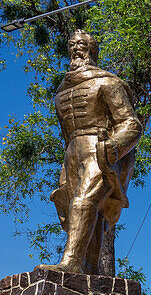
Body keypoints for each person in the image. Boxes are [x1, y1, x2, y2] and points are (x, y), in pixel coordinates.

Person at [38, 30, 143, 274]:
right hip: (72, 152)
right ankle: (91, 269)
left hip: (100, 149)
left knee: (83, 201)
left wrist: (113, 148)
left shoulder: (107, 82)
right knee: (78, 210)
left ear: (92, 51)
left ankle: (72, 262)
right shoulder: (62, 91)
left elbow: (131, 124)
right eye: (72, 44)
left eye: (82, 44)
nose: (76, 48)